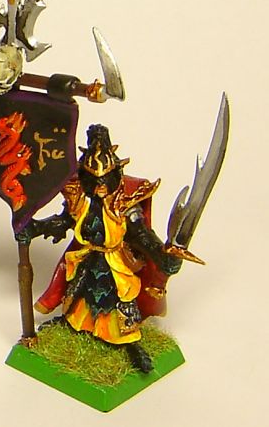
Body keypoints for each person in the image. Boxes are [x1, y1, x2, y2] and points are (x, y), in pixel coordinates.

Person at [20, 123, 182, 372]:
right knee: (77, 296)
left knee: (121, 303)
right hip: (87, 259)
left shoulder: (124, 206)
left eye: (104, 180)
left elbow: (142, 235)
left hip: (115, 263)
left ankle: (131, 344)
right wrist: (34, 227)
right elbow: (63, 222)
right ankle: (72, 324)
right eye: (94, 181)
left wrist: (162, 257)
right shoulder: (80, 200)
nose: (99, 187)